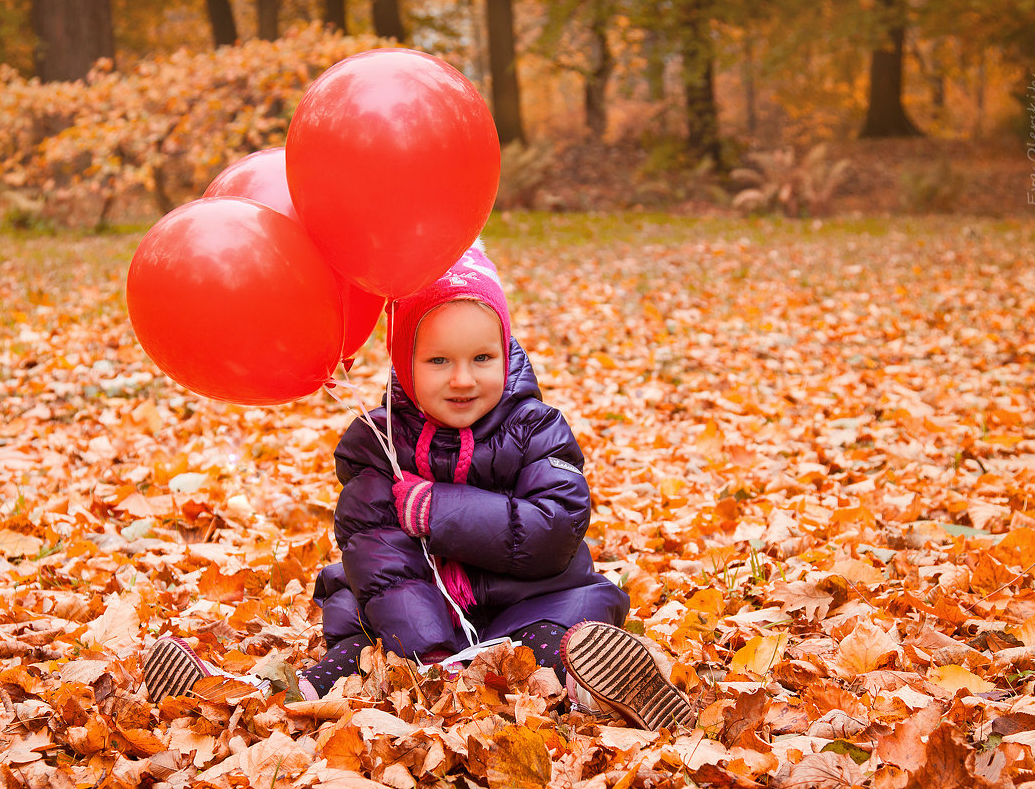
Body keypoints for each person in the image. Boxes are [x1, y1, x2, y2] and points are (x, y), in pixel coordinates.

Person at [143, 244, 695, 731]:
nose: (463, 378)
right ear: (404, 365)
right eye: (438, 360)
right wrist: (430, 651)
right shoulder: (373, 446)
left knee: (559, 632)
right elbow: (381, 564)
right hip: (409, 618)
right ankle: (254, 696)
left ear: (506, 352)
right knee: (359, 649)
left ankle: (593, 687)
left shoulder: (536, 429)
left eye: (483, 358)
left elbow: (556, 530)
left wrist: (440, 510)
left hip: (527, 601)